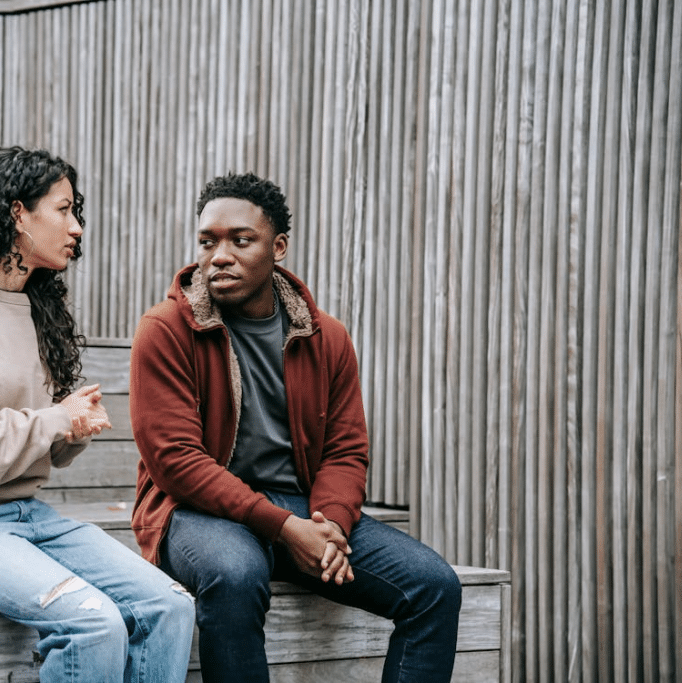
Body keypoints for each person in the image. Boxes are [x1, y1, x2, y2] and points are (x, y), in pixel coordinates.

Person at [129, 172, 462, 683]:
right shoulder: (166, 330)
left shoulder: (326, 336)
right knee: (235, 574)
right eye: (208, 241)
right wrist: (287, 530)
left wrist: (328, 526)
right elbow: (177, 461)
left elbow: (346, 450)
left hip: (303, 506)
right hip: (198, 512)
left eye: (241, 241)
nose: (219, 255)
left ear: (278, 247)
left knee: (434, 585)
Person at [0, 145, 195, 683]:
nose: (76, 227)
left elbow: (33, 440)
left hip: (24, 516)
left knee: (168, 606)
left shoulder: (34, 305)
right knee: (93, 623)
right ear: (17, 214)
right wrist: (53, 420)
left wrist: (71, 428)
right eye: (63, 209)